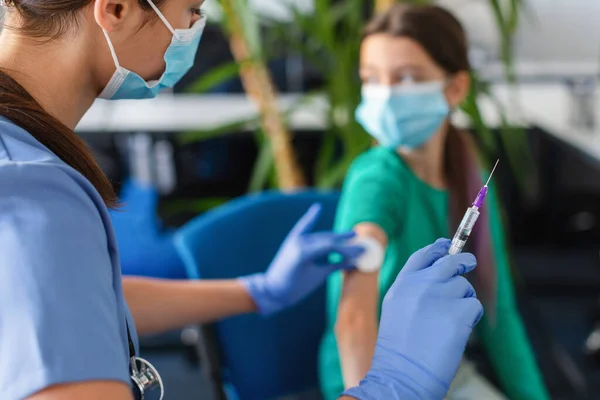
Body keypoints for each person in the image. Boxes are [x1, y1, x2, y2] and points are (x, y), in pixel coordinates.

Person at [0, 0, 482, 399]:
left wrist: (257, 291)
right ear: (117, 9)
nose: (193, 29)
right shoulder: (36, 200)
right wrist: (393, 385)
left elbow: (81, 298)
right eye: (190, 9)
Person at [318, 4, 550, 400]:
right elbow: (354, 315)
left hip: (438, 365)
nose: (385, 94)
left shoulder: (468, 172)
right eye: (371, 78)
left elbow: (498, 311)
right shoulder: (377, 177)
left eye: (407, 77)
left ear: (456, 87)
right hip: (368, 374)